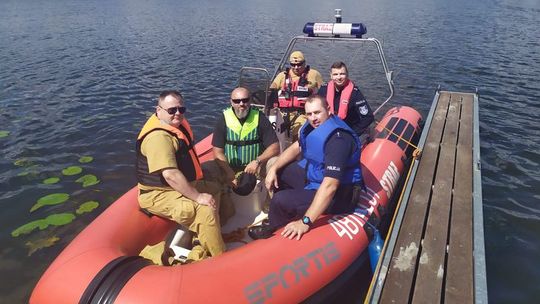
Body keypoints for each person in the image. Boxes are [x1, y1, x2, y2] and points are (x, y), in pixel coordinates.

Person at [248, 95, 363, 240]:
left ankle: (275, 229)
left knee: (280, 200)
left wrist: (305, 222)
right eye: (309, 114)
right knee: (281, 172)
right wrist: (274, 168)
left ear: (328, 109)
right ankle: (286, 215)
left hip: (340, 196)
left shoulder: (338, 140)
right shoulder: (312, 127)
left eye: (317, 112)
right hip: (315, 178)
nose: (313, 118)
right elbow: (297, 147)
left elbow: (330, 186)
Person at [136, 90, 225, 262]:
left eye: (181, 109)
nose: (177, 113)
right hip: (159, 193)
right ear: (158, 110)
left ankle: (203, 238)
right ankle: (219, 258)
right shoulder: (158, 137)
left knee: (214, 189)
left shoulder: (176, 124)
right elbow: (169, 175)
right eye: (171, 110)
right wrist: (197, 196)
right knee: (204, 209)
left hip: (178, 185)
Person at [205, 87, 280, 187]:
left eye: (245, 100)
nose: (241, 104)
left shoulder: (260, 118)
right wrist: (228, 171)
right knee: (206, 169)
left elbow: (275, 147)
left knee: (276, 164)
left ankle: (273, 200)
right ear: (231, 102)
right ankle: (220, 198)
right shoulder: (223, 119)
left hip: (257, 166)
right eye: (237, 101)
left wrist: (257, 161)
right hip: (230, 167)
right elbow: (217, 151)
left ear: (250, 101)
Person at [270, 51, 324, 139]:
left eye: (299, 64)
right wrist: (272, 92)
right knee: (273, 135)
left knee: (299, 135)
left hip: (302, 113)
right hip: (282, 113)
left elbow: (324, 90)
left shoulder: (314, 74)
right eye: (293, 65)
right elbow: (272, 88)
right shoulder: (282, 75)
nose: (296, 67)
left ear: (304, 63)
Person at [317, 61, 374, 137]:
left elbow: (368, 117)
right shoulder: (323, 89)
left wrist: (353, 133)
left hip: (348, 131)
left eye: (342, 74)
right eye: (335, 74)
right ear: (331, 76)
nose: (339, 77)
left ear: (347, 74)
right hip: (328, 129)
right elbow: (316, 110)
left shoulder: (355, 93)